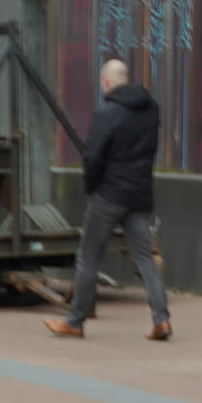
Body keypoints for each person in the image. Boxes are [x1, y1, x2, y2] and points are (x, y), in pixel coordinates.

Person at [53, 56, 172, 342]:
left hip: (108, 194)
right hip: (139, 193)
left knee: (88, 256)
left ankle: (75, 321)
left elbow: (93, 156)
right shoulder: (151, 109)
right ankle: (162, 319)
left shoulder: (107, 113)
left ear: (107, 83)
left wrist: (92, 186)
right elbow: (150, 150)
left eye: (101, 83)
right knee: (145, 257)